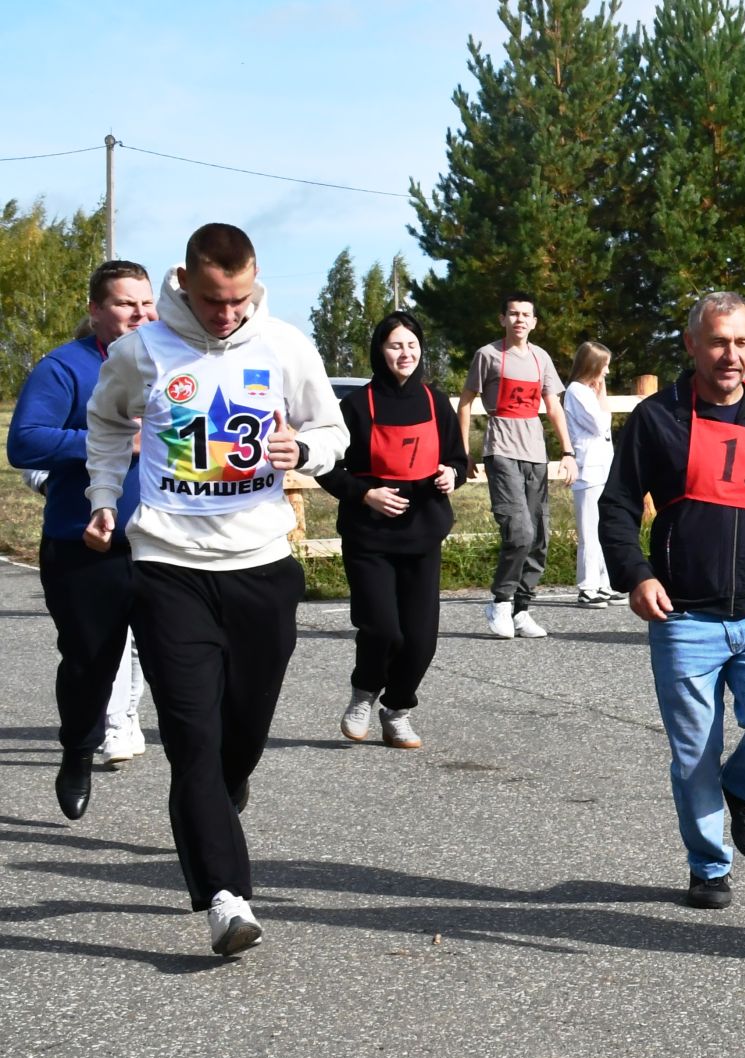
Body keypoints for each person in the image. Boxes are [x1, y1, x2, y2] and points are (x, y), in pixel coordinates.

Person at [85, 222, 346, 956]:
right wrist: (107, 495)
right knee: (192, 737)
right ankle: (227, 899)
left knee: (243, 731)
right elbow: (104, 423)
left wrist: (309, 448)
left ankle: (220, 799)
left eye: (237, 300)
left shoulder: (286, 345)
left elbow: (332, 427)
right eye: (210, 300)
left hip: (261, 563)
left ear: (253, 283)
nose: (225, 313)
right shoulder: (142, 351)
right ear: (185, 283)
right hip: (167, 566)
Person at [599, 292, 745, 911]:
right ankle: (708, 866)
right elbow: (615, 506)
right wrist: (636, 574)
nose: (731, 355)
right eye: (719, 341)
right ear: (692, 343)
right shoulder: (656, 417)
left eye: (742, 342)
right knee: (694, 754)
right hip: (683, 617)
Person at [7, 259, 157, 820]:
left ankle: (216, 771)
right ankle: (77, 748)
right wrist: (113, 440)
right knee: (89, 662)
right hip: (84, 543)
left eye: (145, 304)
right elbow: (26, 443)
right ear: (96, 311)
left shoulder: (177, 363)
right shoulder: (64, 368)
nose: (138, 315)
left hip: (166, 541)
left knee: (186, 661)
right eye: (124, 304)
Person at [319, 311, 469, 749]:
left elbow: (460, 459)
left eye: (411, 345)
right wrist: (365, 494)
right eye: (394, 346)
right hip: (370, 537)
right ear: (378, 351)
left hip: (423, 535)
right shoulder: (353, 406)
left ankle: (397, 709)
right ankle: (364, 691)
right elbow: (328, 467)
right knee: (384, 630)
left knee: (421, 641)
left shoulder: (434, 401)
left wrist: (451, 476)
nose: (404, 353)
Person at [458, 293, 574, 639]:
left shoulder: (541, 359)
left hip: (536, 454)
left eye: (526, 315)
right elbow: (465, 404)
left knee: (539, 536)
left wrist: (567, 452)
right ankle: (500, 600)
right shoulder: (488, 355)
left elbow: (553, 407)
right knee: (519, 530)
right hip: (501, 451)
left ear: (534, 322)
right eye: (513, 314)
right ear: (502, 320)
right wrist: (463, 452)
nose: (520, 319)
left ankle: (522, 609)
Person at [564, 341, 616, 608]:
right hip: (588, 470)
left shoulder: (586, 392)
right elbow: (599, 423)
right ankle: (587, 587)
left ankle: (604, 584)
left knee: (603, 528)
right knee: (589, 530)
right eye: (604, 366)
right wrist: (602, 393)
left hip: (602, 467)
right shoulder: (576, 392)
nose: (606, 372)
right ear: (593, 365)